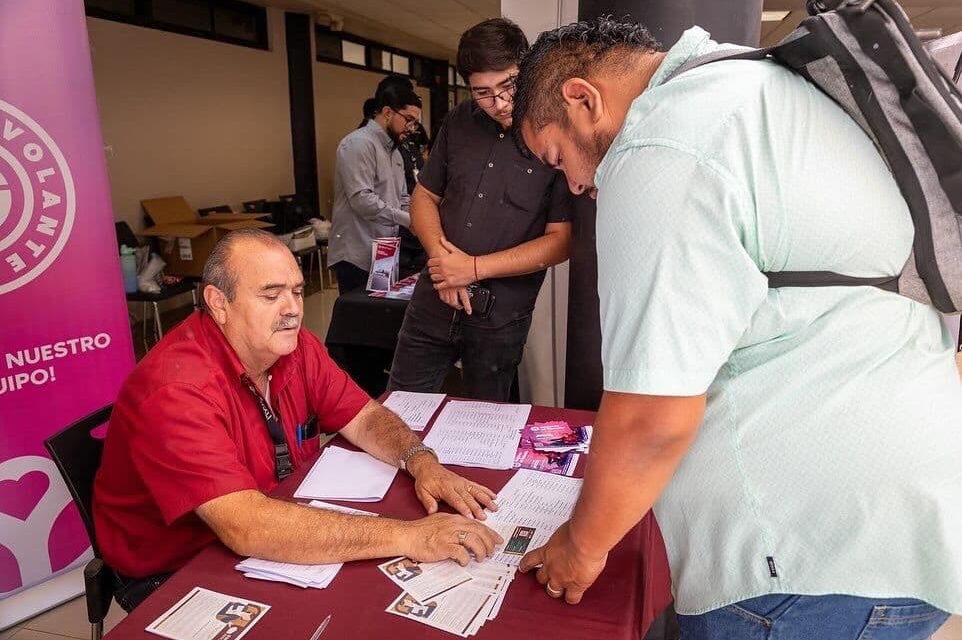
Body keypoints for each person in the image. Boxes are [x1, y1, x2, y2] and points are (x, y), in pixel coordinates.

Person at [511, 17, 962, 640]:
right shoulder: (757, 91)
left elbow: (651, 419)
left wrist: (580, 548)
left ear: (583, 99)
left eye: (559, 158)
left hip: (802, 567)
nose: (577, 185)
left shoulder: (662, 144)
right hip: (892, 527)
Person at [93, 229, 502, 611]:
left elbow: (363, 416)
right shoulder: (175, 390)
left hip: (268, 513)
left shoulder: (293, 346)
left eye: (297, 291)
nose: (292, 310)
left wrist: (420, 461)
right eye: (271, 295)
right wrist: (410, 535)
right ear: (219, 303)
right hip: (175, 565)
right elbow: (247, 527)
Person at [387, 18, 574, 401]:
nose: (499, 103)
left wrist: (472, 269)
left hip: (500, 315)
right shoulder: (459, 122)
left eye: (508, 86)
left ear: (529, 68)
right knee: (401, 410)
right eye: (483, 93)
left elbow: (562, 241)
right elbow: (424, 196)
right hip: (434, 298)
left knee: (483, 428)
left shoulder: (556, 132)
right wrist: (444, 262)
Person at [329, 80, 421, 294]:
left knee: (380, 312)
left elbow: (403, 198)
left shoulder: (395, 152)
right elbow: (362, 200)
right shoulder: (358, 144)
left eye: (415, 123)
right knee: (358, 316)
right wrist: (408, 220)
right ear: (387, 112)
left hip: (385, 249)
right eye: (408, 120)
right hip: (357, 252)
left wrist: (417, 218)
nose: (412, 128)